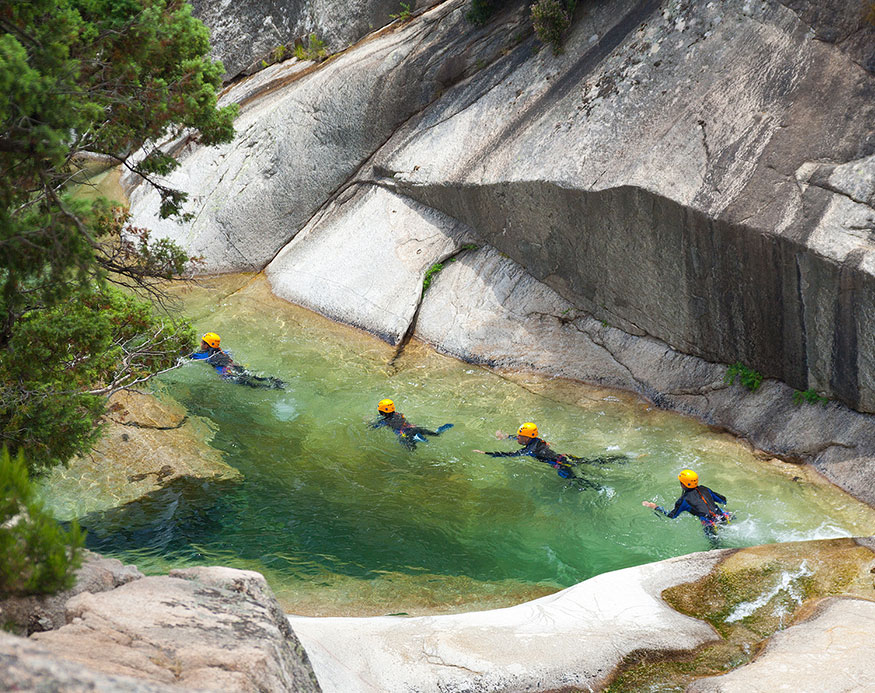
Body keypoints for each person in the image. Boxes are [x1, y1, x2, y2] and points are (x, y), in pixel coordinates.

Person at [474, 423, 598, 489]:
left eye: (519, 436)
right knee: (590, 462)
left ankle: (598, 488)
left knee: (577, 480)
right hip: (565, 457)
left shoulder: (529, 449)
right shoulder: (535, 439)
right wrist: (506, 437)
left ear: (527, 438)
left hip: (561, 465)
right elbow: (521, 439)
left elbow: (511, 455)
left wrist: (487, 453)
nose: (517, 437)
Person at [642, 469, 732, 542]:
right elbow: (723, 500)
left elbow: (671, 516)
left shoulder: (683, 500)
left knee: (715, 544)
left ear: (683, 484)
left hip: (709, 524)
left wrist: (655, 507)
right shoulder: (705, 489)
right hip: (723, 515)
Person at [189, 332, 284, 389]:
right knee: (251, 376)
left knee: (249, 384)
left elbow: (188, 356)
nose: (200, 343)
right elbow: (230, 354)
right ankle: (272, 380)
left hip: (226, 372)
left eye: (202, 342)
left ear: (206, 345)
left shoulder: (203, 355)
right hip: (235, 366)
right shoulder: (222, 351)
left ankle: (271, 387)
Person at [370, 399, 453, 450]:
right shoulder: (398, 414)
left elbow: (374, 426)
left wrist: (371, 425)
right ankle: (437, 431)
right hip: (414, 428)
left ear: (381, 412)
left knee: (410, 449)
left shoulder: (385, 421)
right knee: (435, 434)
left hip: (405, 434)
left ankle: (416, 438)